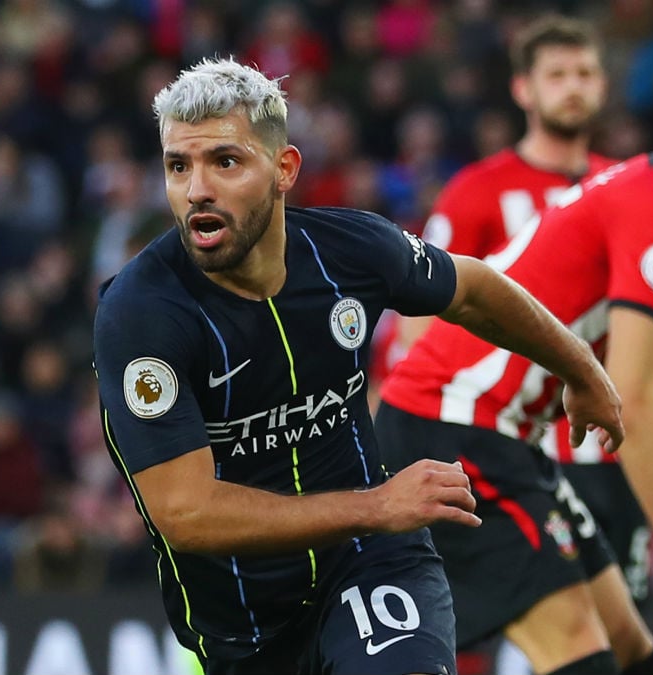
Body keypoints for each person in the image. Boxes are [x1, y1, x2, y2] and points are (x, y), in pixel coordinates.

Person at [93, 57, 625, 675]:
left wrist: (581, 370)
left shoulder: (352, 250)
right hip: (241, 626)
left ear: (284, 169)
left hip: (371, 562)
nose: (197, 190)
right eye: (178, 166)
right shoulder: (140, 313)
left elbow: (475, 288)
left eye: (225, 161)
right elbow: (185, 512)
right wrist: (377, 504)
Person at [378, 34, 653, 675]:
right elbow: (638, 400)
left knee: (632, 655)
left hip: (510, 434)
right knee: (580, 658)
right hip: (453, 424)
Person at [408, 14, 653, 610]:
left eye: (585, 73)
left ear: (602, 86)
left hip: (612, 448)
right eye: (557, 74)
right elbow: (421, 321)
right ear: (524, 89)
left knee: (629, 629)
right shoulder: (476, 192)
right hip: (510, 443)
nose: (573, 86)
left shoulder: (627, 188)